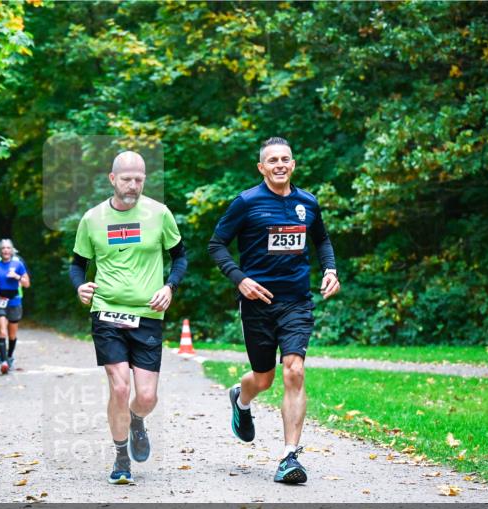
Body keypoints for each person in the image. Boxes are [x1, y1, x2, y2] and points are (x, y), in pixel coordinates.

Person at [207, 137, 340, 485]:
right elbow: (216, 244)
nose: (279, 164)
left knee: (294, 370)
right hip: (257, 303)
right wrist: (240, 280)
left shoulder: (307, 203)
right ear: (262, 167)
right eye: (272, 160)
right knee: (263, 378)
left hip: (296, 302)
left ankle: (289, 456)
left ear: (293, 164)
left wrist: (330, 269)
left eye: (285, 159)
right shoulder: (247, 203)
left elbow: (322, 239)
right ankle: (241, 397)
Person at [69, 151, 187, 485]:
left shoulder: (159, 214)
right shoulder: (92, 219)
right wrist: (80, 286)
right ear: (112, 179)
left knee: (146, 396)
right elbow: (77, 264)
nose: (133, 186)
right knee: (119, 387)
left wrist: (170, 286)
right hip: (106, 312)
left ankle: (136, 420)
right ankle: (121, 457)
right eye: (126, 179)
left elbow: (180, 257)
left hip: (148, 314)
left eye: (139, 179)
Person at [0, 239, 30, 375]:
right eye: (3, 248)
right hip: (0, 300)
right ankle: (4, 361)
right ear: (0, 251)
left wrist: (17, 276)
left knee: (12, 335)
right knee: (2, 331)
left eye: (8, 248)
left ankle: (10, 356)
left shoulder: (18, 264)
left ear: (12, 250)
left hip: (14, 301)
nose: (6, 250)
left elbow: (27, 283)